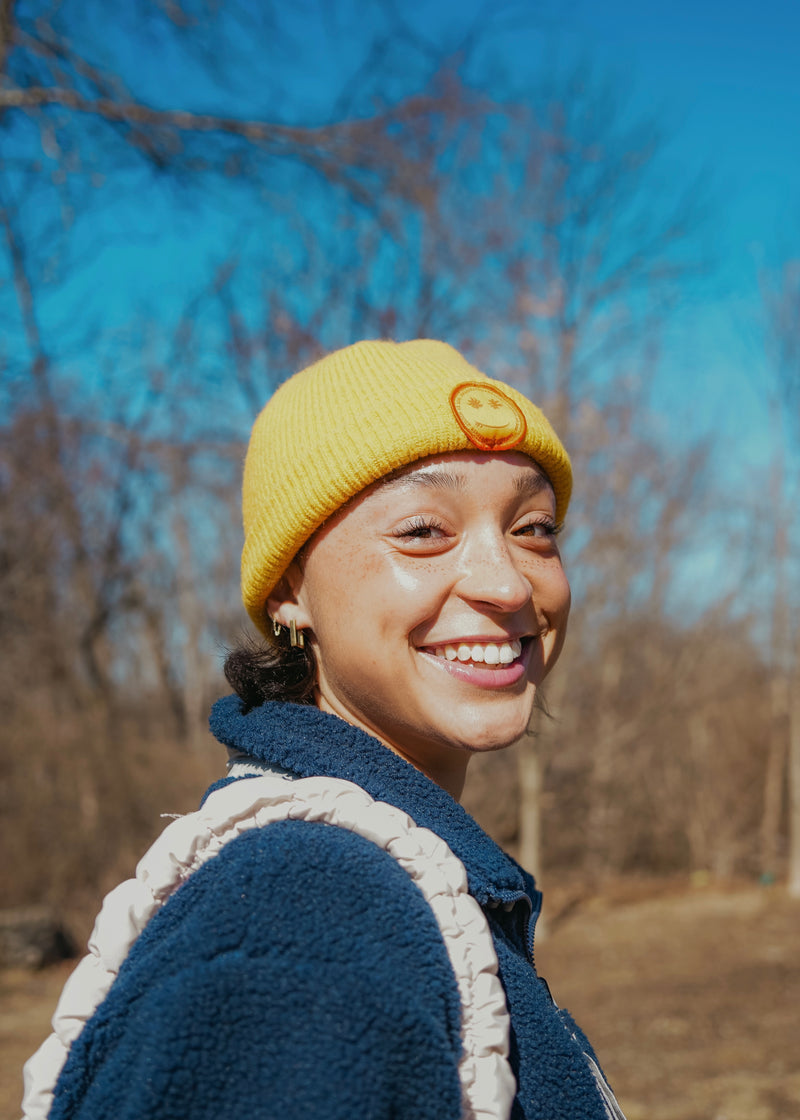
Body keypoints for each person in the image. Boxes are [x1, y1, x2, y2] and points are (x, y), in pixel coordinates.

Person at [23, 339, 626, 1120]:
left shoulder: (391, 882)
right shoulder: (303, 919)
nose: (509, 582)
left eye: (535, 528)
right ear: (287, 591)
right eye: (422, 530)